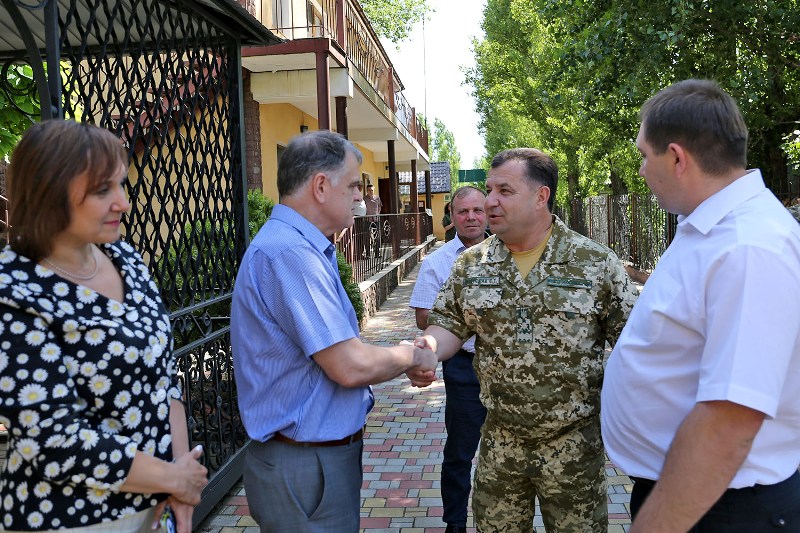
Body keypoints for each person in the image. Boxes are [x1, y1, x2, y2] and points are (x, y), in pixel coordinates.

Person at [601, 80, 800, 532]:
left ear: (676, 157)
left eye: (643, 156)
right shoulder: (708, 227)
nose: (641, 170)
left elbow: (729, 421)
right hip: (696, 494)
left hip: (719, 504)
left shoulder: (749, 248)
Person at [409, 148, 638, 532]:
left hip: (573, 450)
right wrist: (428, 350)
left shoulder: (594, 263)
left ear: (540, 196)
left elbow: (636, 343)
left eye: (504, 190)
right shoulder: (473, 265)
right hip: (501, 444)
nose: (489, 201)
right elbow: (448, 323)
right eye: (489, 189)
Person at [0, 120, 208, 533]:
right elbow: (53, 439)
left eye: (121, 185)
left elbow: (164, 378)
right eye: (102, 191)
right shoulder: (14, 289)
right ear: (48, 193)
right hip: (72, 519)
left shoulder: (126, 259)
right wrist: (173, 479)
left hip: (155, 508)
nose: (123, 203)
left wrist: (182, 485)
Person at [230, 130, 437, 532]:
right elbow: (348, 365)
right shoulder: (290, 253)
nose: (361, 196)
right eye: (354, 185)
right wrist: (412, 355)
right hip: (306, 464)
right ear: (321, 186)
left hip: (312, 460)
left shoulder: (301, 248)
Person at [409, 186, 488, 533]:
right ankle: (455, 522)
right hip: (464, 368)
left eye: (477, 211)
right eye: (463, 212)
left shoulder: (508, 251)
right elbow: (424, 317)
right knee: (460, 452)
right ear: (452, 217)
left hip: (513, 369)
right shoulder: (438, 262)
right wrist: (471, 318)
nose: (471, 218)